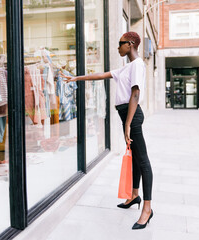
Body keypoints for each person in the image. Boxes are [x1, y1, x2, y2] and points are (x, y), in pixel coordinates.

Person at [61, 31, 153, 230]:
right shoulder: (126, 67)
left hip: (132, 116)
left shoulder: (137, 65)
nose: (118, 47)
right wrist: (76, 78)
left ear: (130, 44)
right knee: (136, 157)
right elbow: (101, 75)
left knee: (143, 160)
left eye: (120, 44)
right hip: (126, 116)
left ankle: (147, 209)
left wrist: (128, 124)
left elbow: (135, 94)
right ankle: (134, 195)